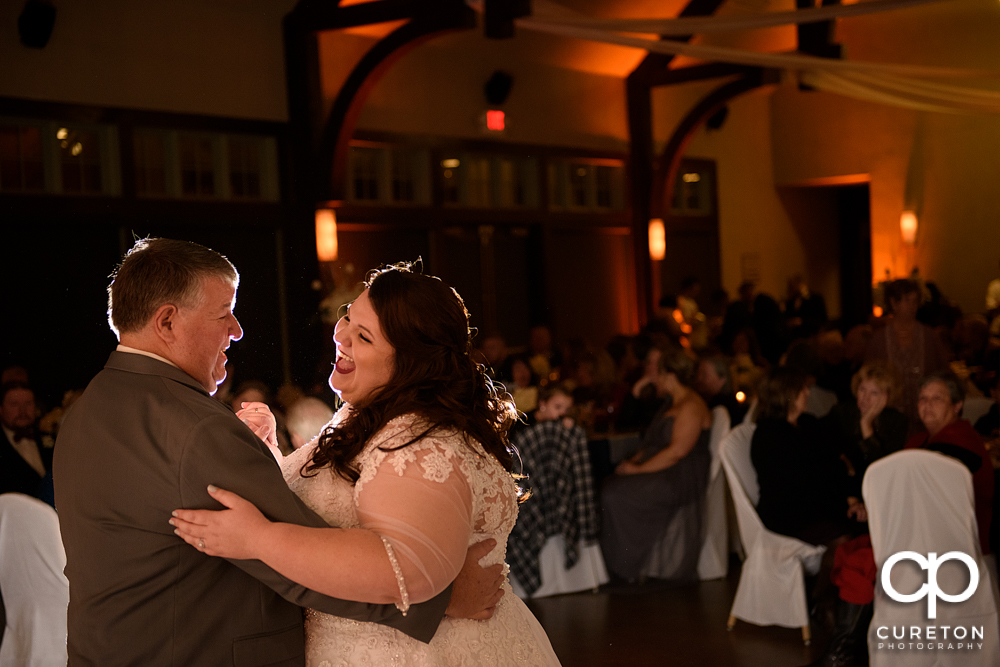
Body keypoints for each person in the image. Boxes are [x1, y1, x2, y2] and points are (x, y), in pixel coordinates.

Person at [54, 239, 501, 666]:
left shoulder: (85, 412)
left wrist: (265, 454)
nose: (237, 330)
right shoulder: (197, 428)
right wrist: (441, 597)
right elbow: (287, 561)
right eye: (224, 314)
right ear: (167, 322)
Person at [172, 263, 561, 665]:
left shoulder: (418, 440)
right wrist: (272, 453)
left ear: (411, 363)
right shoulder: (368, 416)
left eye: (364, 336)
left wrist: (257, 539)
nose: (340, 336)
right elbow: (337, 508)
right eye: (347, 317)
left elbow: (405, 569)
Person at [599, 348, 712, 582]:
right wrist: (634, 461)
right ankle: (621, 564)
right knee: (611, 486)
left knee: (615, 494)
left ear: (670, 376)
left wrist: (637, 469)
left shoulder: (691, 406)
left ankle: (627, 566)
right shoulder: (671, 403)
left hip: (680, 476)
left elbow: (676, 452)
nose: (656, 380)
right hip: (665, 470)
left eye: (658, 375)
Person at [750, 368, 864, 546]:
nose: (808, 392)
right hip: (790, 517)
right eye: (802, 388)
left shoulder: (808, 423)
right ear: (787, 394)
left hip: (821, 506)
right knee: (846, 539)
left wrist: (852, 499)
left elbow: (834, 462)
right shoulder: (768, 435)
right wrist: (840, 468)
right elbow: (800, 482)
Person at [905, 371, 993, 555]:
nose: (927, 405)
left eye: (937, 399)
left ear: (957, 406)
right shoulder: (918, 439)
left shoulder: (962, 440)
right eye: (922, 398)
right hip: (923, 532)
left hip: (956, 545)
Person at [865, 278, 949, 436]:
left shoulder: (930, 337)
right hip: (889, 423)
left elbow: (945, 374)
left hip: (926, 419)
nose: (913, 306)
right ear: (893, 303)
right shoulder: (878, 340)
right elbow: (869, 378)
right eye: (907, 301)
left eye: (915, 301)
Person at [824, 361, 908, 484]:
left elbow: (883, 469)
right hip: (843, 486)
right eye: (862, 389)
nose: (865, 398)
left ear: (886, 397)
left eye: (874, 393)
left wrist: (866, 424)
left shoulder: (897, 421)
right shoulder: (841, 413)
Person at [0, 381, 50, 503]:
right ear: (0, 409)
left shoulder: (49, 439)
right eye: (14, 404)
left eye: (28, 404)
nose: (22, 411)